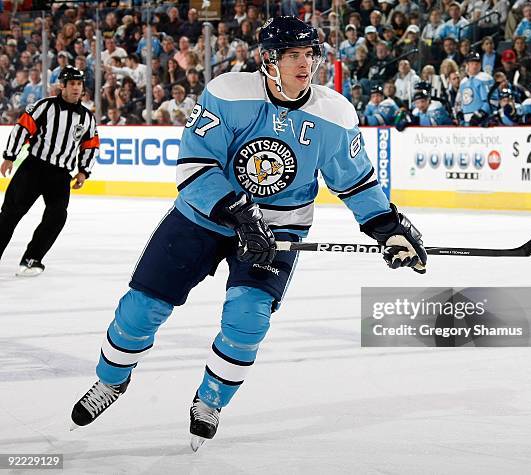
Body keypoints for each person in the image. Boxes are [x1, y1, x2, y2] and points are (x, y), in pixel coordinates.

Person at [69, 16, 427, 450]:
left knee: (247, 320)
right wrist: (239, 213)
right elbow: (195, 165)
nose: (303, 64)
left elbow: (355, 182)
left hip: (278, 229)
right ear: (268, 59)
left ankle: (210, 400)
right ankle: (111, 381)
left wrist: (387, 227)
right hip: (203, 218)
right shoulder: (228, 94)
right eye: (293, 55)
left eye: (309, 55)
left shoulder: (334, 115)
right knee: (140, 309)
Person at [0, 66, 98, 276]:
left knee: (57, 217)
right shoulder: (45, 107)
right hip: (34, 168)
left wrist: (83, 171)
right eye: (71, 83)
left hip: (61, 175)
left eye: (79, 84)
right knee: (10, 215)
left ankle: (32, 259)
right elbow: (22, 128)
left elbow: (90, 146)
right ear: (61, 86)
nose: (76, 88)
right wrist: (10, 156)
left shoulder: (87, 118)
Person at [456, 51, 494, 125]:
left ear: (480, 65)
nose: (474, 66)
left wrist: (481, 113)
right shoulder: (463, 82)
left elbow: (491, 100)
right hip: (466, 121)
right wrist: (459, 113)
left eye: (477, 64)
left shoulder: (485, 78)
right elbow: (459, 102)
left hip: (482, 121)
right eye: (472, 63)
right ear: (467, 65)